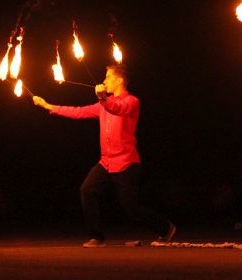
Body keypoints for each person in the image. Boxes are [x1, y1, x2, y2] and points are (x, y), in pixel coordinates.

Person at [32, 64, 176, 247]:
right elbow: (78, 112)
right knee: (87, 190)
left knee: (130, 208)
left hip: (126, 163)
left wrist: (102, 98)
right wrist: (48, 105)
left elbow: (117, 108)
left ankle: (165, 228)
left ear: (119, 80)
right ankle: (97, 237)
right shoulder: (103, 105)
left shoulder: (131, 102)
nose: (104, 80)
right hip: (106, 163)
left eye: (108, 77)